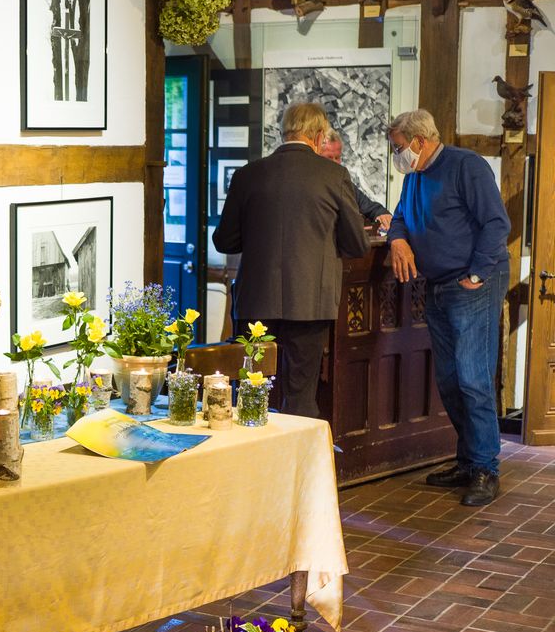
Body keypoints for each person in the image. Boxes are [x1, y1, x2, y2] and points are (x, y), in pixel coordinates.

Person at [387, 109, 510, 507]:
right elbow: (400, 218)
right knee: (449, 380)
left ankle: (485, 469)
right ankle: (468, 461)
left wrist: (476, 274)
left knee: (473, 379)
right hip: (437, 286)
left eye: (399, 146)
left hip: (471, 284)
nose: (397, 154)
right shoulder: (415, 176)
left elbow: (497, 223)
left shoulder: (465, 166)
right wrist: (397, 240)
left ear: (419, 141)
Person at [213, 102, 368, 417]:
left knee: (250, 393)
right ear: (318, 136)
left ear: (284, 132)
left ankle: (249, 448)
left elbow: (224, 240)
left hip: (255, 300)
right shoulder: (334, 175)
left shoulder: (247, 175)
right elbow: (357, 244)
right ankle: (296, 450)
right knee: (300, 397)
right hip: (310, 303)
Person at [319, 129, 393, 231]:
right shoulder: (308, 185)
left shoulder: (343, 185)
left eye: (337, 157)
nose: (335, 163)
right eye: (329, 158)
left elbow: (370, 207)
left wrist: (382, 215)